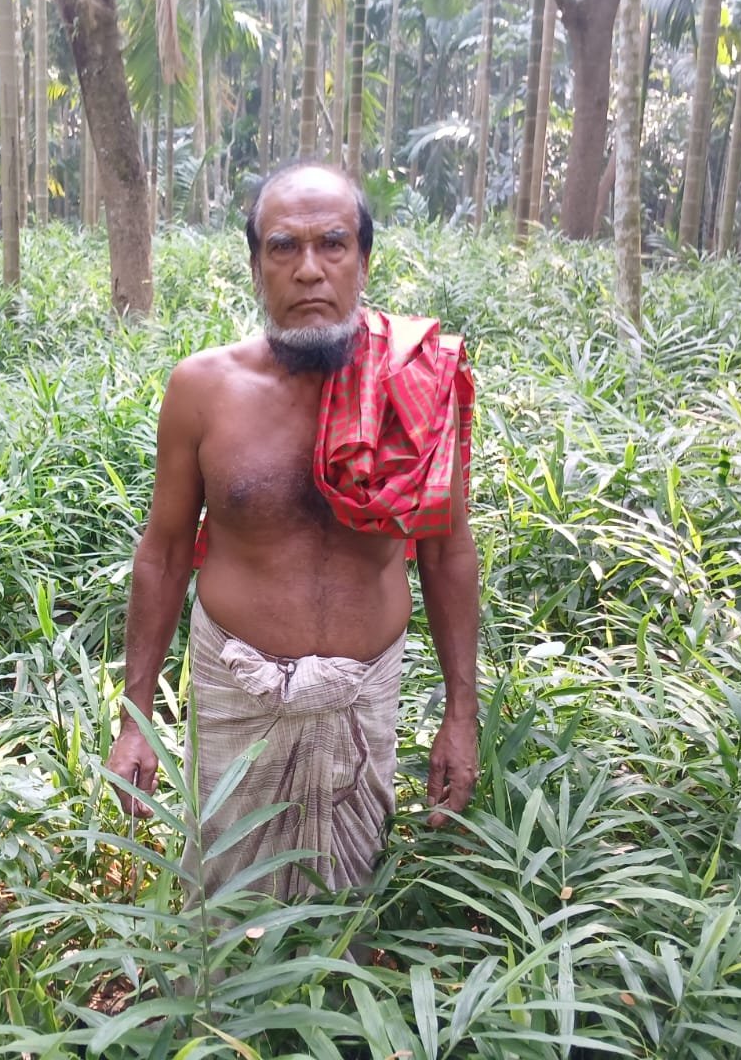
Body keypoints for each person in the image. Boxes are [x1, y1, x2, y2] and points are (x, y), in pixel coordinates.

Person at [106, 161, 480, 902]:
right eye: (284, 248)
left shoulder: (420, 384)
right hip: (236, 690)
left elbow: (446, 551)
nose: (309, 270)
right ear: (255, 267)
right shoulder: (203, 390)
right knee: (227, 899)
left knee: (348, 907)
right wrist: (135, 719)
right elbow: (165, 552)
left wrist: (460, 715)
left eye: (333, 245)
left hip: (364, 695)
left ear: (364, 260)